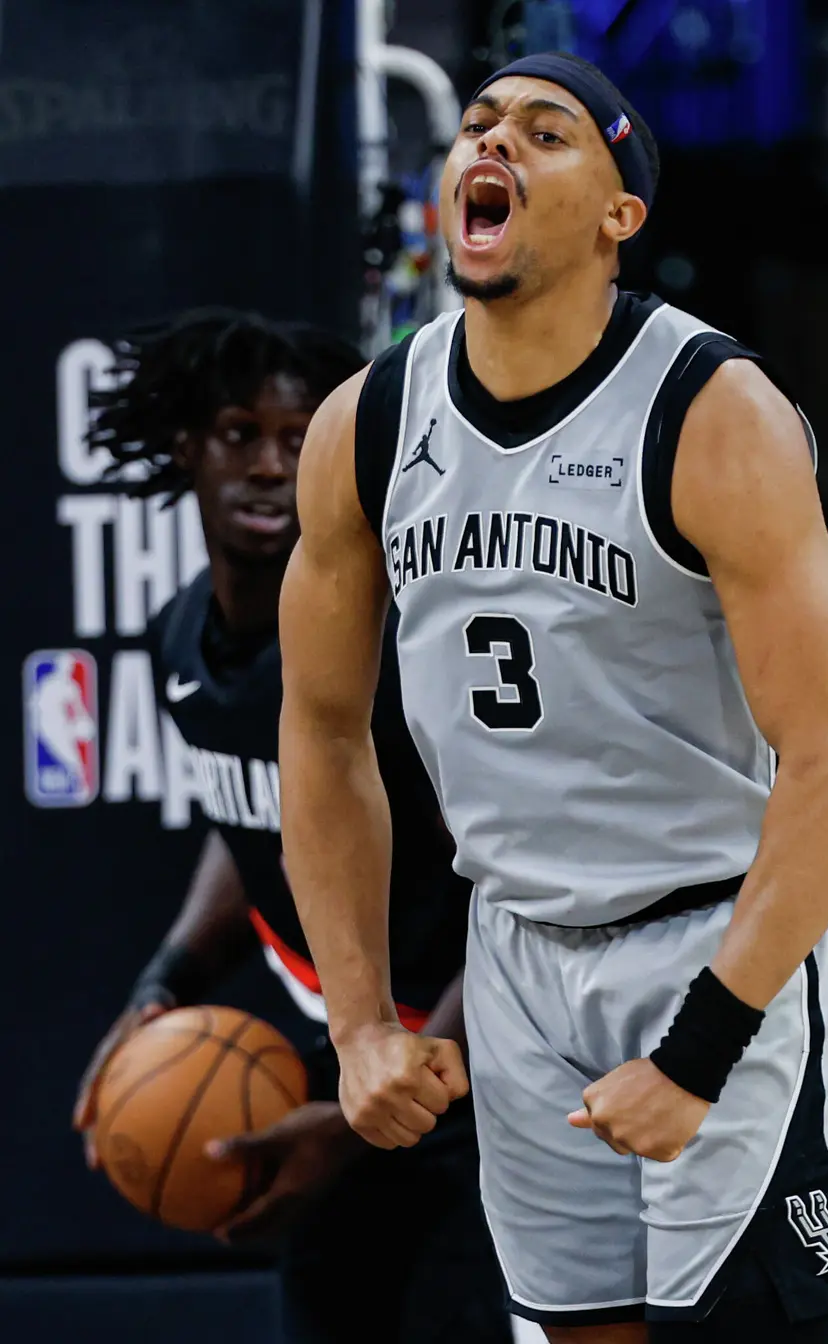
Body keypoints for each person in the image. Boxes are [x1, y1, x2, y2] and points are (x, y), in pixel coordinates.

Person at [276, 49, 828, 1344]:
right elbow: (324, 732)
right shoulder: (371, 421)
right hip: (522, 950)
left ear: (623, 216)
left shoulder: (712, 411)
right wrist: (360, 1025)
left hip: (734, 938)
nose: (492, 145)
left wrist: (698, 1050)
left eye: (547, 134)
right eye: (479, 126)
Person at [71, 308, 511, 1344]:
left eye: (298, 435)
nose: (271, 465)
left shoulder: (399, 640)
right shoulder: (183, 634)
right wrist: (166, 981)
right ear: (187, 448)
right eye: (239, 434)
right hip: (345, 1078)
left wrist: (392, 1096)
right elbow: (255, 819)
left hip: (481, 1086)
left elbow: (518, 892)